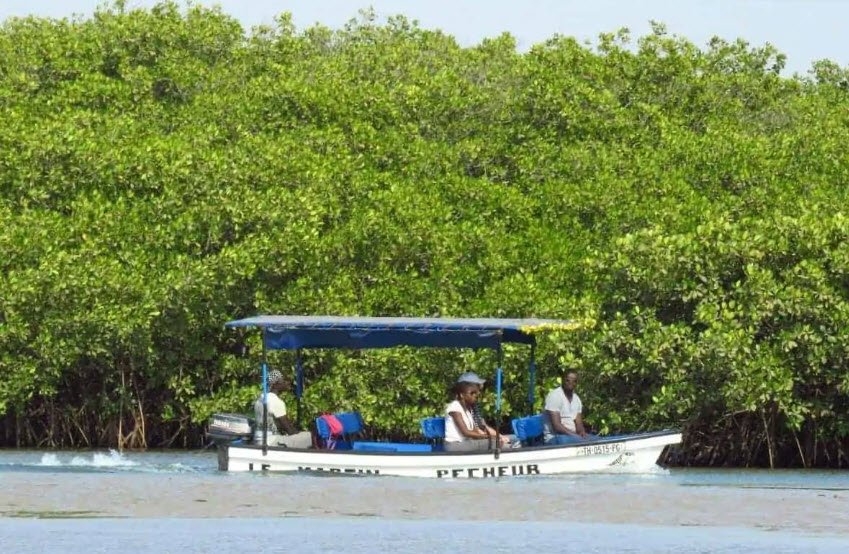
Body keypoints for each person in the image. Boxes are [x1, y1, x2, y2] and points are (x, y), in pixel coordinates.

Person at [443, 372, 513, 452]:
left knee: (506, 439)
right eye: (472, 393)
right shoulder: (455, 406)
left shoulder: (469, 409)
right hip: (455, 445)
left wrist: (499, 436)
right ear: (462, 394)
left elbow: (477, 428)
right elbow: (466, 432)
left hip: (465, 442)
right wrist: (490, 437)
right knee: (494, 443)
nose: (476, 395)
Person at [253, 369, 312, 448]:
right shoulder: (276, 401)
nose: (286, 383)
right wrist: (299, 433)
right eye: (283, 381)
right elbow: (289, 430)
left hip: (258, 438)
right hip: (272, 440)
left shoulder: (261, 398)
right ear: (276, 384)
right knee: (309, 436)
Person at [543, 369, 596, 444]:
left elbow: (579, 424)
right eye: (567, 380)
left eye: (574, 381)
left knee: (598, 440)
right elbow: (557, 426)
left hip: (572, 436)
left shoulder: (576, 399)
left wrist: (582, 433)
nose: (570, 383)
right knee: (580, 441)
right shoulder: (554, 396)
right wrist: (575, 436)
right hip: (555, 437)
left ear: (576, 383)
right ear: (562, 380)